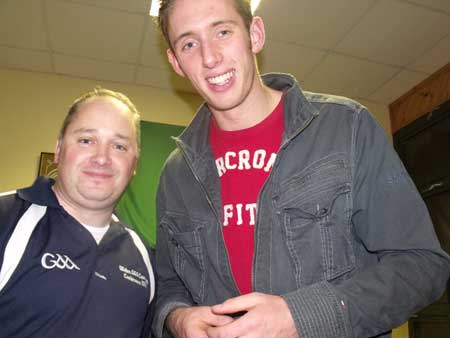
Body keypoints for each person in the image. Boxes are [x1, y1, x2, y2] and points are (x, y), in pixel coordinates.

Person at [152, 1, 450, 338]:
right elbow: (168, 284)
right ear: (176, 62)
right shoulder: (175, 175)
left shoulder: (347, 128)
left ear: (255, 34)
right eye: (189, 44)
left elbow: (423, 265)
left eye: (222, 32)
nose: (210, 58)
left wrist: (303, 316)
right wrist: (176, 318)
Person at [0, 88, 155, 338]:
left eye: (119, 146)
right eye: (86, 140)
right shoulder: (7, 219)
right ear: (59, 150)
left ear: (134, 164)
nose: (102, 158)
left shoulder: (144, 258)